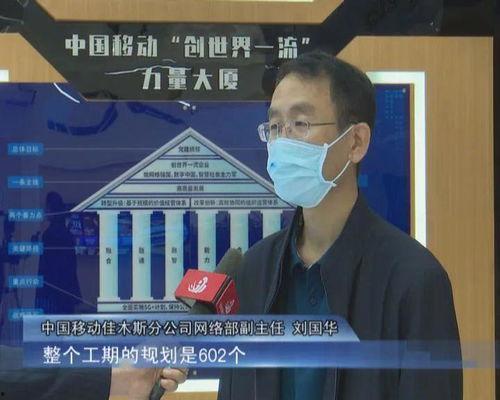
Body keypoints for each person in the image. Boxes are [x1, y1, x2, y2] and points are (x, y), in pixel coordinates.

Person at [215, 51, 462, 399]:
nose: (282, 141)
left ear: (356, 142)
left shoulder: (414, 280)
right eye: (275, 126)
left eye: (301, 123)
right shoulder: (254, 271)